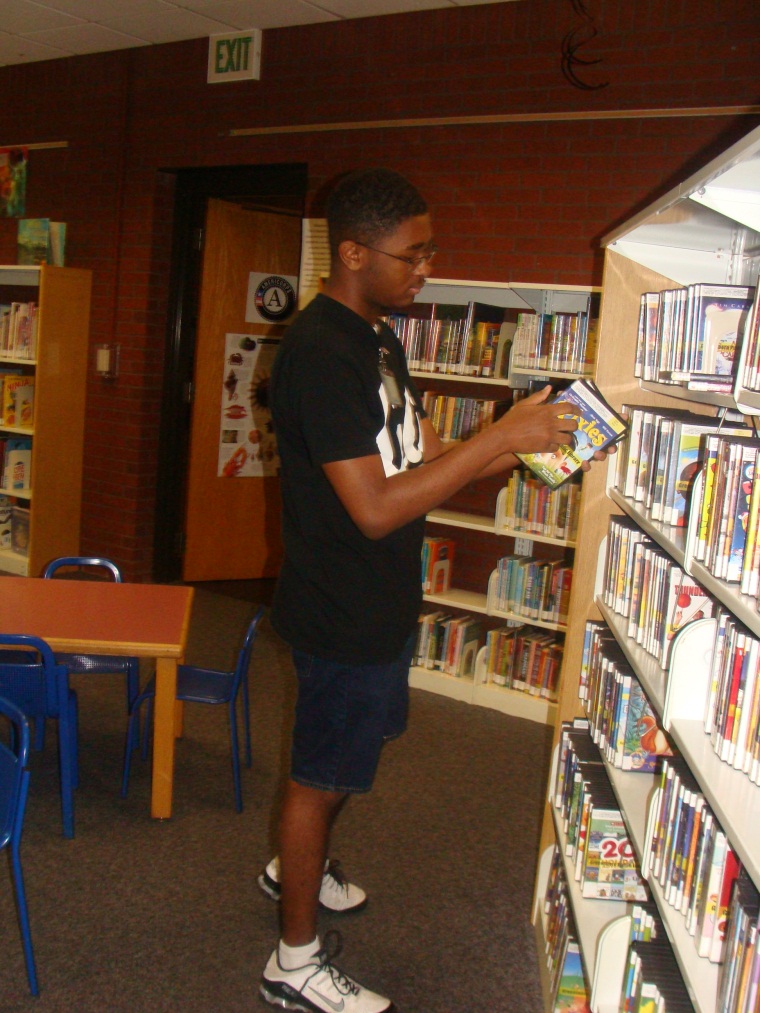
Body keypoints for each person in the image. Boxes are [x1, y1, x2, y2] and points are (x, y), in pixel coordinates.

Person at [259, 168, 607, 1013]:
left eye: (430, 252)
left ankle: (293, 866)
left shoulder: (378, 335)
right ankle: (293, 962)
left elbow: (408, 469)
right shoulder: (319, 353)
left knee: (344, 764)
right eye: (413, 256)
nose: (426, 270)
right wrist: (503, 434)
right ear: (351, 253)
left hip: (381, 597)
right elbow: (376, 509)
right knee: (319, 775)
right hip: (342, 605)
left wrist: (512, 440)